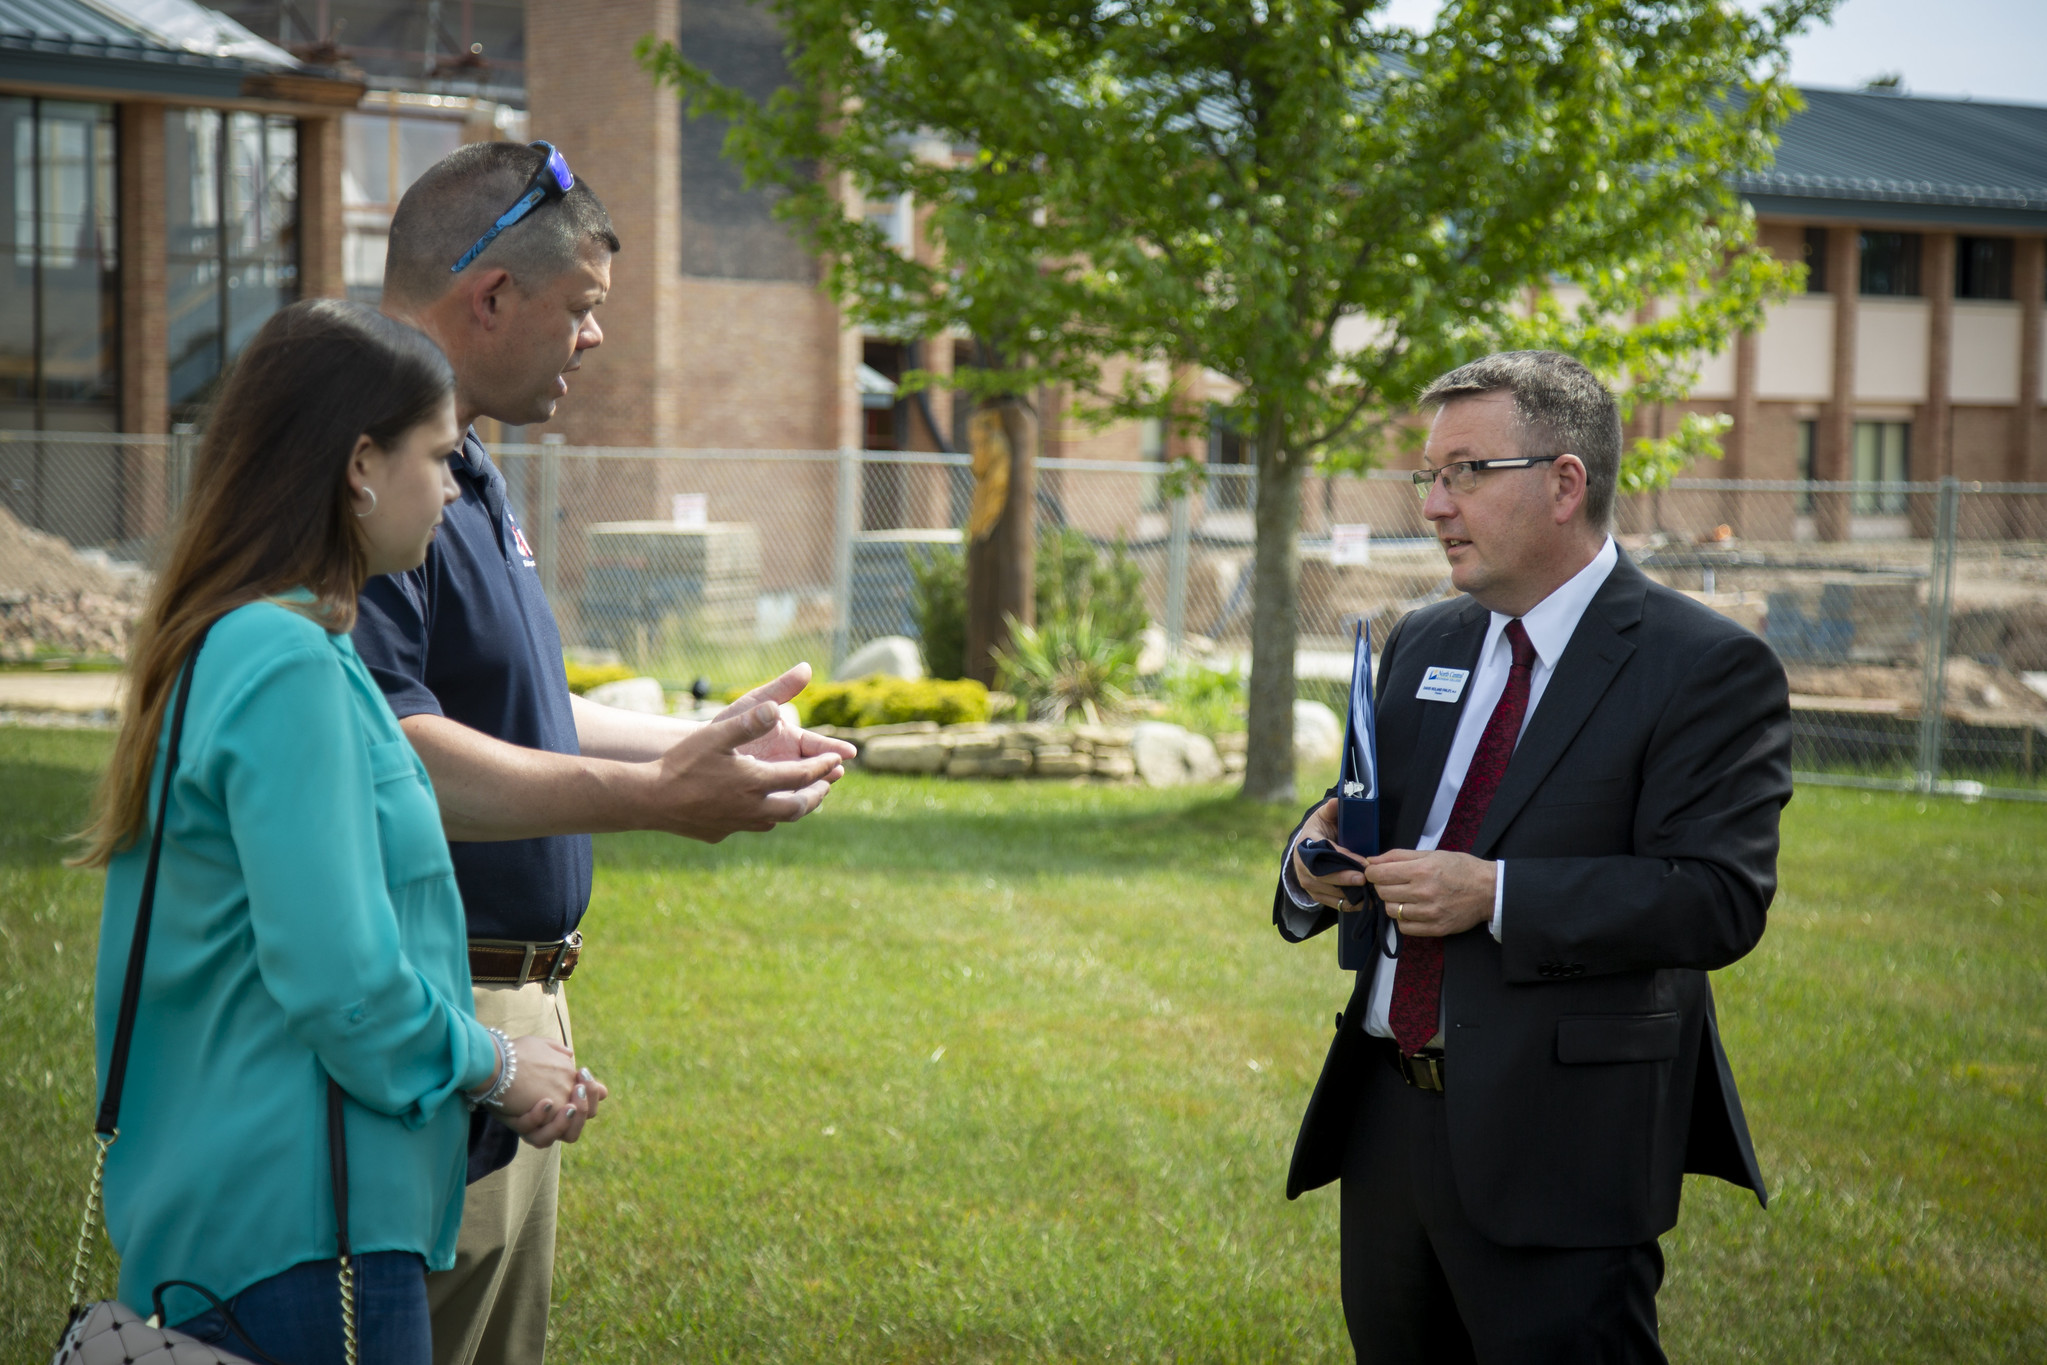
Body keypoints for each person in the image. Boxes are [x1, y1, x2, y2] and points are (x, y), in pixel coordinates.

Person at [355, 139, 858, 1365]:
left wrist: (706, 737)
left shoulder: (463, 460)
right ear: (491, 297)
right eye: (580, 309)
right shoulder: (366, 464)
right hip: (430, 1006)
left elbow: (516, 712)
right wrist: (656, 799)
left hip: (513, 1000)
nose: (593, 341)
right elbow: (391, 752)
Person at [77, 300, 601, 1365]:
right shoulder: (288, 665)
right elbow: (344, 982)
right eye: (440, 457)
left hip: (247, 1218)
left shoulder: (233, 642)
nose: (453, 489)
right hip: (309, 1235)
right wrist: (499, 1064)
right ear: (362, 464)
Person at [1275, 350, 1792, 1363]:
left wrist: (1496, 895)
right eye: (1428, 476)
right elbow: (1363, 818)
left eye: (1465, 473)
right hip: (1388, 1121)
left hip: (1561, 1140)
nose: (1433, 505)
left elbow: (1717, 899)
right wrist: (1310, 862)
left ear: (1564, 483)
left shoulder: (1702, 667)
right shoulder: (1425, 642)